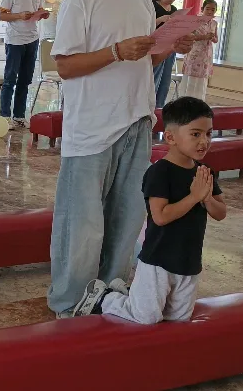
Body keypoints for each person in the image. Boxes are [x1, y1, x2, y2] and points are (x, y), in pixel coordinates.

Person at [48, 0, 195, 318]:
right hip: (92, 126)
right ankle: (70, 301)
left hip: (136, 119)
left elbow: (142, 62)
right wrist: (114, 51)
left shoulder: (141, 2)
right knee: (84, 223)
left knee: (128, 216)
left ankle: (110, 291)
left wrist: (168, 47)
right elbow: (64, 65)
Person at [71, 97, 226, 321]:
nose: (204, 141)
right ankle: (106, 297)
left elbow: (221, 213)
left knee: (178, 319)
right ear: (171, 137)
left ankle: (126, 293)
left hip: (189, 261)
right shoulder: (160, 172)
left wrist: (207, 198)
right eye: (196, 134)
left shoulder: (204, 171)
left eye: (209, 134)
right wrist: (194, 197)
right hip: (158, 260)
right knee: (146, 316)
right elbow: (160, 216)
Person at [0, 0, 49, 128]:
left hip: (32, 38)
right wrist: (19, 16)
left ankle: (19, 116)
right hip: (15, 40)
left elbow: (37, 8)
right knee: (10, 79)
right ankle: (5, 115)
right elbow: (2, 16)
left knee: (25, 80)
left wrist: (42, 14)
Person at [179, 0, 218, 100]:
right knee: (191, 80)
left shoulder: (214, 23)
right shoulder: (195, 21)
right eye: (207, 9)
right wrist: (204, 37)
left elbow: (216, 39)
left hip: (206, 55)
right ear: (202, 9)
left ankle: (199, 104)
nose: (210, 11)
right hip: (194, 54)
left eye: (213, 9)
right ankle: (186, 103)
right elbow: (189, 36)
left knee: (202, 81)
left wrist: (212, 37)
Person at [150, 0, 180, 108]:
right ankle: (151, 104)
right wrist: (161, 19)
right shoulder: (152, 6)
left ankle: (160, 106)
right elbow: (147, 26)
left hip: (170, 45)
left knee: (166, 77)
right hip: (156, 45)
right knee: (155, 75)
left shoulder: (174, 9)